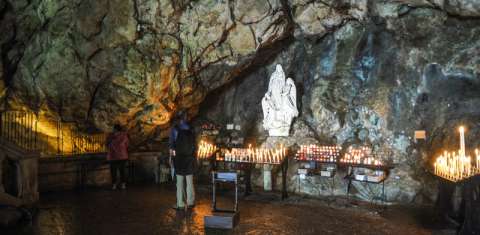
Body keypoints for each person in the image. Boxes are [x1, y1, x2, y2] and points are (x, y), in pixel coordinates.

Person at [169, 111, 196, 210]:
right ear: (186, 118)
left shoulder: (175, 129)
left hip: (179, 158)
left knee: (179, 182)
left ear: (178, 118)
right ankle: (190, 202)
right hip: (189, 158)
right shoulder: (192, 129)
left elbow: (172, 145)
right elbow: (194, 145)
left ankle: (180, 204)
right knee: (189, 181)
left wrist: (171, 158)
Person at [107, 124, 129, 190]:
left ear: (115, 129)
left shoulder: (110, 136)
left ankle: (114, 185)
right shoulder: (124, 136)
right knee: (122, 171)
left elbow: (107, 144)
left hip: (113, 156)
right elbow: (127, 144)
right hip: (122, 156)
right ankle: (123, 184)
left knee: (113, 171)